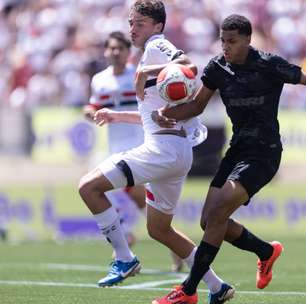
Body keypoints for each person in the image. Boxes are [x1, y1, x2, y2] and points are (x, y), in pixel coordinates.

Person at [79, 1, 234, 302]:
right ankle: (217, 286)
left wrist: (143, 72)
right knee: (160, 229)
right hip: (175, 153)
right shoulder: (151, 52)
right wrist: (115, 115)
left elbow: (189, 66)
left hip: (162, 151)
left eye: (139, 22)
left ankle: (124, 257)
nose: (132, 29)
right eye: (131, 23)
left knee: (88, 187)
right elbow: (152, 116)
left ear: (157, 26)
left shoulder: (156, 45)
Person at [151, 14, 306, 304]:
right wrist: (166, 114)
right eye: (223, 41)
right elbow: (196, 105)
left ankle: (188, 290)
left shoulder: (270, 64)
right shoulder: (217, 68)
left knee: (219, 212)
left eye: (232, 42)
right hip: (236, 151)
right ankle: (266, 252)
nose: (226, 47)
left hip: (264, 153)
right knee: (208, 220)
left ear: (248, 40)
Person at [84, 30, 183, 271]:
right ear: (106, 51)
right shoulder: (99, 79)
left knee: (101, 189)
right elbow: (95, 105)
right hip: (116, 148)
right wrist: (90, 112)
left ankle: (129, 243)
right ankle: (168, 246)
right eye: (111, 48)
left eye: (120, 48)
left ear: (128, 52)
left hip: (142, 147)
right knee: (139, 204)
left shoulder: (136, 75)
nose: (115, 52)